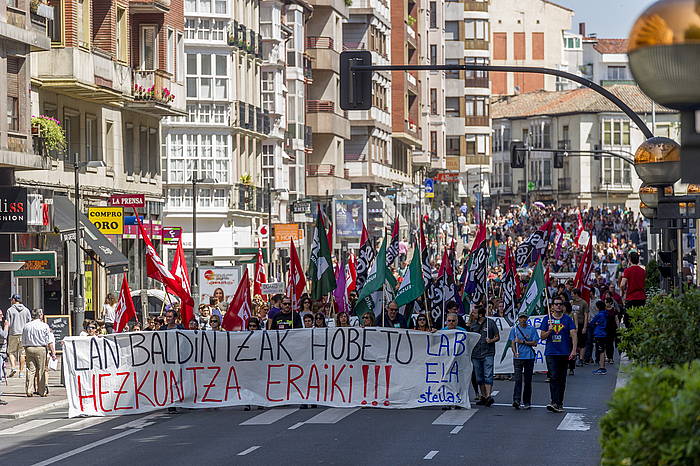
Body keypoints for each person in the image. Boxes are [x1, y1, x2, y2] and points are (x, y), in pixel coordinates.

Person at [539, 298, 577, 413]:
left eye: (560, 304)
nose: (558, 306)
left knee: (562, 379)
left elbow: (574, 334)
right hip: (551, 353)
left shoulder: (567, 319)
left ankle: (559, 402)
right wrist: (549, 331)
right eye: (556, 304)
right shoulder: (547, 319)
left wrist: (574, 350)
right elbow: (542, 336)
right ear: (552, 307)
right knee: (554, 377)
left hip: (564, 352)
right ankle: (554, 401)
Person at [469, 306, 499, 407]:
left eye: (475, 313)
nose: (473, 314)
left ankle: (488, 396)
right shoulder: (472, 324)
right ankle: (483, 396)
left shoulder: (490, 323)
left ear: (480, 315)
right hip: (476, 353)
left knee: (488, 374)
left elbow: (497, 336)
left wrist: (491, 340)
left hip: (488, 352)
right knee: (479, 376)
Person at [21, 309, 56, 397]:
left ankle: (29, 390)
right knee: (41, 369)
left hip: (29, 348)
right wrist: (53, 352)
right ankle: (42, 391)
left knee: (30, 370)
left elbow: (23, 339)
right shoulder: (44, 326)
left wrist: (25, 348)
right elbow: (49, 340)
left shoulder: (26, 326)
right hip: (41, 348)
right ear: (40, 315)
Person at [509, 311, 539, 410]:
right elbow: (512, 343)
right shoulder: (515, 329)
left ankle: (527, 401)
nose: (523, 320)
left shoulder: (532, 329)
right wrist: (514, 352)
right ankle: (516, 400)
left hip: (529, 357)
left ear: (527, 319)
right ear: (518, 319)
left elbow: (535, 343)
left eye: (524, 318)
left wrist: (523, 342)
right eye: (521, 318)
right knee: (518, 380)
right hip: (518, 357)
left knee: (527, 380)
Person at [4, 294, 31, 378]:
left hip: (13, 333)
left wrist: (5, 334)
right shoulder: (26, 310)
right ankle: (21, 371)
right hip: (23, 334)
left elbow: (7, 323)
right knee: (22, 353)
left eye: (11, 299)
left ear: (14, 300)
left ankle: (13, 367)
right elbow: (29, 322)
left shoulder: (10, 310)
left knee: (11, 352)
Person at [620, 251, 646, 324]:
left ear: (630, 260)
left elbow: (622, 284)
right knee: (640, 320)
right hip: (641, 298)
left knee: (629, 321)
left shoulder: (627, 270)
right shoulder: (643, 271)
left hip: (631, 298)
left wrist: (623, 292)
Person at [571, 289, 589, 366]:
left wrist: (585, 327)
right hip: (573, 324)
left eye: (572, 294)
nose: (571, 295)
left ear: (576, 294)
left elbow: (586, 315)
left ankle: (581, 358)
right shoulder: (572, 302)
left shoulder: (583, 303)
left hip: (581, 323)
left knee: (582, 342)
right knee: (574, 341)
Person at [590, 301, 609, 375]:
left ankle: (602, 368)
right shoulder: (605, 314)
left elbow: (592, 323)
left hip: (599, 333)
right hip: (604, 333)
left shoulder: (599, 315)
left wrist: (596, 323)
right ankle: (602, 367)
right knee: (602, 350)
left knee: (601, 351)